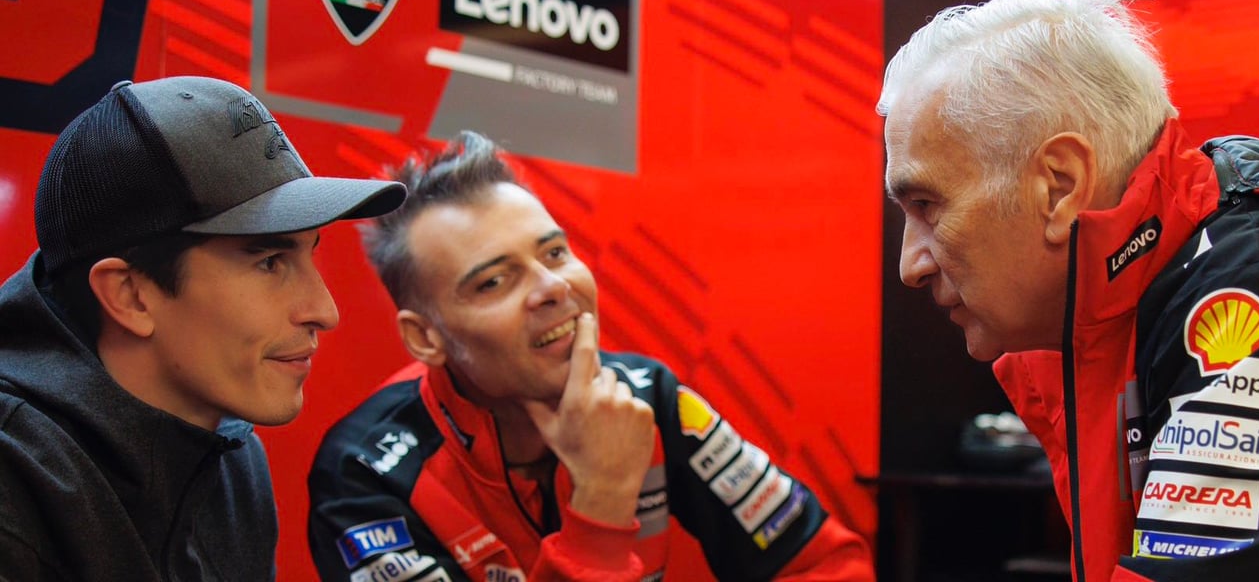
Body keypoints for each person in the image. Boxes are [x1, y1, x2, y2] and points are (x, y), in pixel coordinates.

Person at [307, 131, 874, 581]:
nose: (553, 287)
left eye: (555, 252)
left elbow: (824, 564)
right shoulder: (364, 473)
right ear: (425, 337)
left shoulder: (648, 398)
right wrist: (602, 499)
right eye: (494, 281)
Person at [878, 0, 1259, 580]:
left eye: (928, 206)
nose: (910, 265)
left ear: (1060, 187)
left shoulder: (1247, 292)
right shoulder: (1107, 304)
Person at [0, 76, 407, 581]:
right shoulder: (14, 481)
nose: (325, 310)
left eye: (309, 254)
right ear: (130, 295)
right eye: (270, 262)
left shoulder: (230, 453)